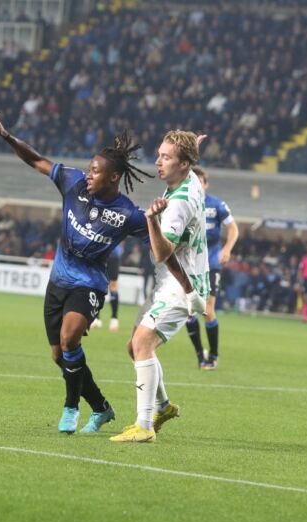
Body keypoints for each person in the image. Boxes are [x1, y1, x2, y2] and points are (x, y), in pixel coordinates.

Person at [0, 111, 201, 435]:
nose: (88, 175)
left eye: (95, 172)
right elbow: (38, 161)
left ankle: (70, 408)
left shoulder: (129, 214)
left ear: (112, 178)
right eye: (88, 169)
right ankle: (101, 408)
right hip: (58, 281)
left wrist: (188, 289)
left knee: (70, 340)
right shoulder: (72, 183)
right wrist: (6, 136)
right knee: (60, 356)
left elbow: (164, 251)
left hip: (90, 285)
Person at [112, 130, 209, 444]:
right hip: (174, 282)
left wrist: (151, 219)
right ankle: (163, 407)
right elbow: (189, 160)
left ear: (183, 163)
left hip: (181, 284)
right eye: (160, 154)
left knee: (141, 343)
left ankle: (144, 425)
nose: (158, 161)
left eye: (166, 157)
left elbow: (163, 253)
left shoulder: (178, 204)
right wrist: (190, 143)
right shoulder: (191, 178)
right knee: (135, 347)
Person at [183, 166, 238, 369]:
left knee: (207, 309)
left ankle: (213, 355)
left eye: (201, 182)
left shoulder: (216, 205)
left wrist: (227, 248)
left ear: (206, 184)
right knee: (189, 311)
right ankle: (200, 355)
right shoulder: (184, 204)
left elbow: (233, 228)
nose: (198, 185)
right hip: (189, 263)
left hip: (212, 261)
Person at [89, 241, 122, 331]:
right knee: (97, 285)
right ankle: (96, 318)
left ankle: (114, 318)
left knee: (112, 286)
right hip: (100, 255)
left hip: (112, 255)